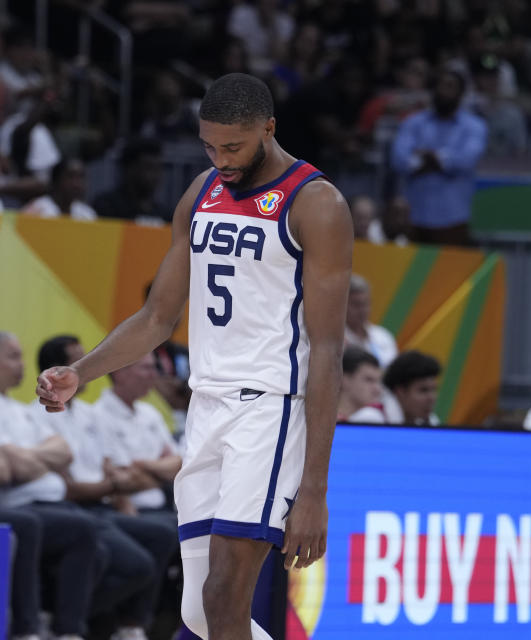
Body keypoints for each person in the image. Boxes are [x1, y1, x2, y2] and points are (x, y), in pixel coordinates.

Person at [36, 73, 353, 640]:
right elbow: (158, 318)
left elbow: (328, 352)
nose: (220, 158)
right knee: (200, 614)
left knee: (226, 591)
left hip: (270, 408)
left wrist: (314, 491)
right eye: (209, 145)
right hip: (206, 407)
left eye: (232, 146)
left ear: (268, 129)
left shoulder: (317, 202)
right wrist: (80, 373)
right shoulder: (202, 191)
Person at [36, 336, 181, 640]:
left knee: (166, 535)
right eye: (75, 361)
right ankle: (68, 625)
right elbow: (72, 486)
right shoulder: (39, 415)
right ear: (54, 371)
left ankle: (126, 625)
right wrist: (116, 486)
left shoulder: (88, 414)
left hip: (102, 504)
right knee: (139, 559)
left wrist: (118, 483)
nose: (83, 367)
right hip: (78, 507)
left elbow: (117, 470)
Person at [0, 331, 101, 640]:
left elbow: (62, 452)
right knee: (78, 530)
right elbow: (4, 467)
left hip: (55, 501)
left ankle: (63, 625)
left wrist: (26, 457)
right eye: (13, 357)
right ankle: (42, 630)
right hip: (16, 503)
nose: (22, 365)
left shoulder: (20, 410)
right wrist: (37, 458)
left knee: (97, 545)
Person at [390, 68, 488, 245]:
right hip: (413, 217)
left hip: (453, 218)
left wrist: (430, 157)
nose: (444, 91)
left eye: (450, 87)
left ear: (460, 93)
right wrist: (442, 160)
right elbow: (399, 160)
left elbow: (466, 161)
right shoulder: (413, 123)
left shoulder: (474, 126)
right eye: (439, 86)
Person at [94, 354, 182, 514]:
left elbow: (178, 464)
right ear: (119, 373)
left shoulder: (150, 413)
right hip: (133, 512)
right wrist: (161, 471)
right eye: (146, 368)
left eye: (155, 367)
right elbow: (124, 479)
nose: (154, 375)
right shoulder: (98, 416)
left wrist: (142, 465)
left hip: (166, 504)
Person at [92, 138, 168, 224]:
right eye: (149, 167)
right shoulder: (106, 207)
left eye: (158, 168)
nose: (155, 175)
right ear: (129, 169)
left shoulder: (166, 215)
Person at [344, 275, 398, 367]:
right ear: (343, 306)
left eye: (366, 304)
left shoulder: (383, 336)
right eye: (356, 304)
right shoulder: (336, 340)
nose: (363, 310)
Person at [22, 157, 97, 220]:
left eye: (81, 177)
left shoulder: (87, 214)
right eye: (70, 177)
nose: (76, 184)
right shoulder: (36, 210)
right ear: (56, 180)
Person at [382, 350, 441, 425]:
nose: (431, 398)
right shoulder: (372, 418)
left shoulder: (432, 421)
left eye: (434, 389)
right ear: (400, 391)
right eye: (423, 390)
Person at [338, 347, 384, 423]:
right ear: (344, 379)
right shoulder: (320, 421)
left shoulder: (375, 418)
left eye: (378, 381)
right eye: (369, 380)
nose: (377, 389)